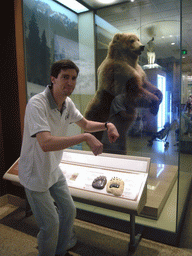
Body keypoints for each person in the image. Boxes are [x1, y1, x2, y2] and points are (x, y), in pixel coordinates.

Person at [18, 59, 119, 256]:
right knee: (50, 224)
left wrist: (108, 125)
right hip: (35, 173)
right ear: (53, 79)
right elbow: (45, 143)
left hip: (53, 170)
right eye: (65, 77)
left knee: (69, 210)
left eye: (73, 78)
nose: (70, 82)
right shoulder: (36, 104)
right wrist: (85, 137)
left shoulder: (67, 103)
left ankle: (61, 249)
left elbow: (87, 125)